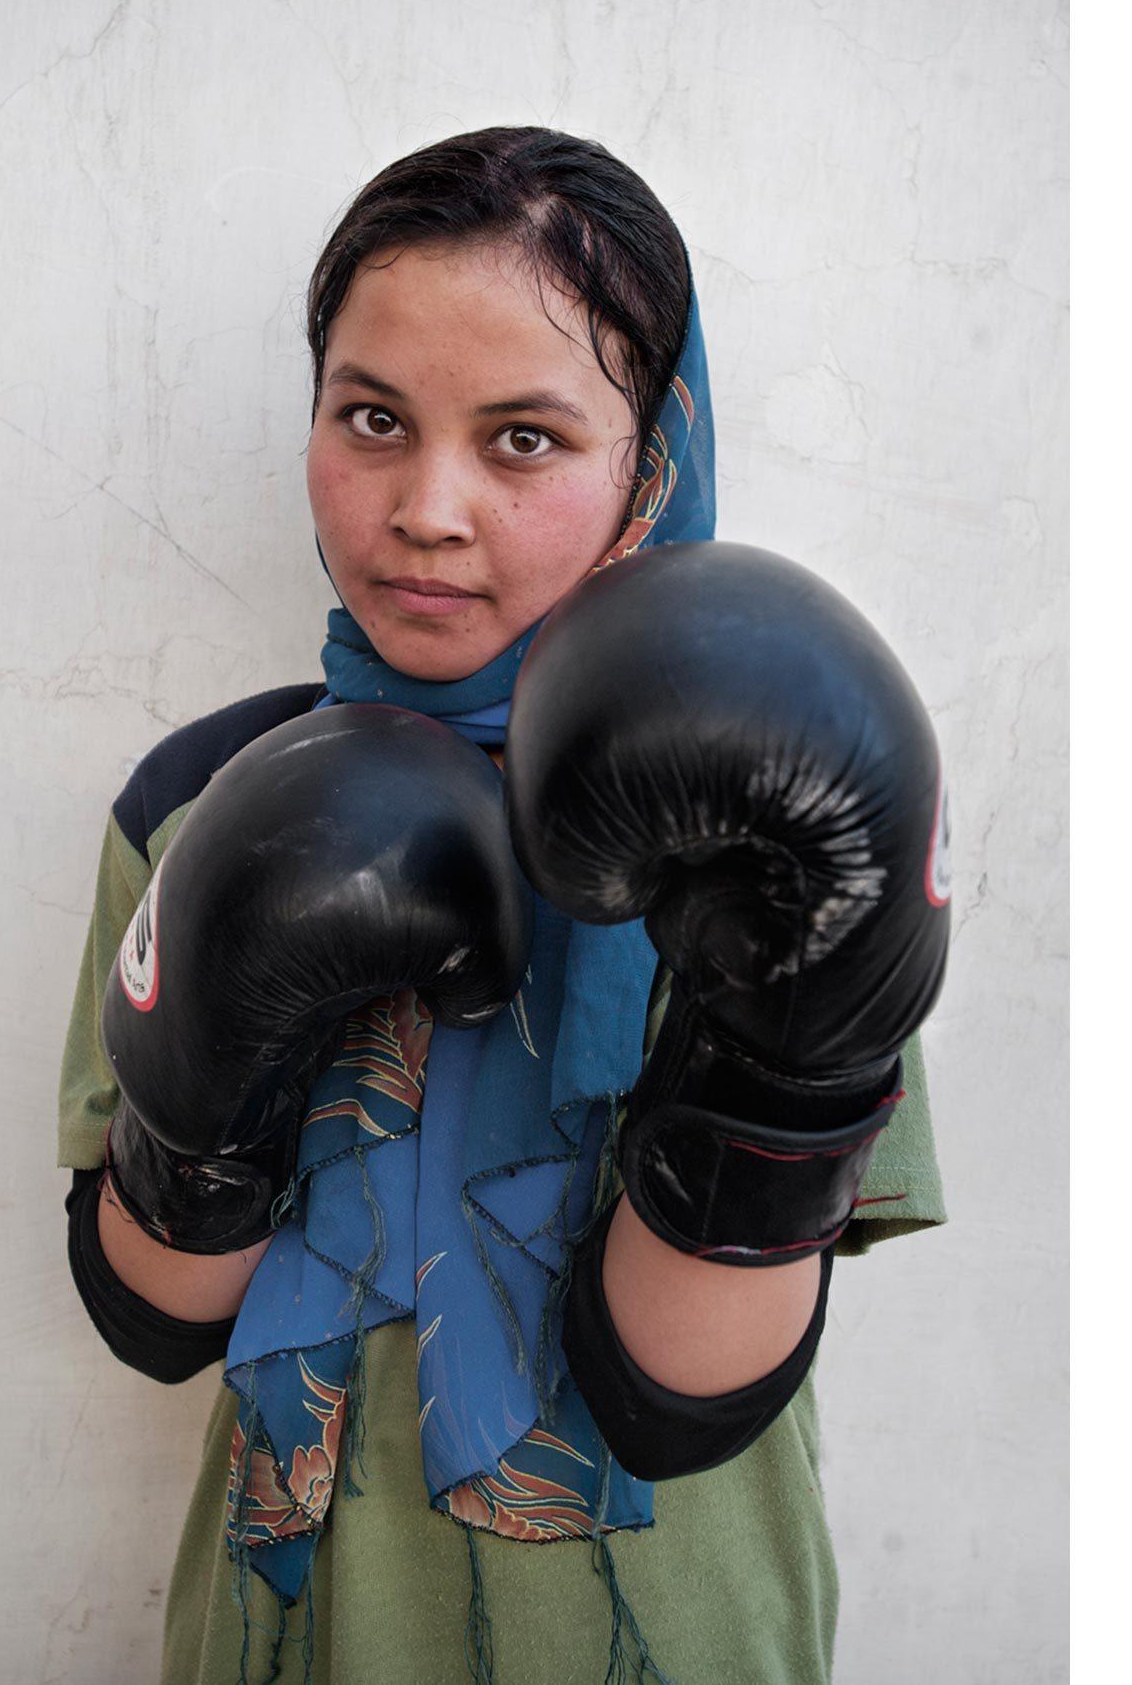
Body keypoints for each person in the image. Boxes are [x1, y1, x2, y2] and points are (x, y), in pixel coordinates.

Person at [58, 126, 949, 1685]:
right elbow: (153, 1315)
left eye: (525, 438)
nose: (428, 506)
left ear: (646, 465)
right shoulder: (203, 804)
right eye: (375, 417)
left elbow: (683, 1394)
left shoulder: (778, 802)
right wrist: (219, 1049)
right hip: (291, 1638)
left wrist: (787, 1050)